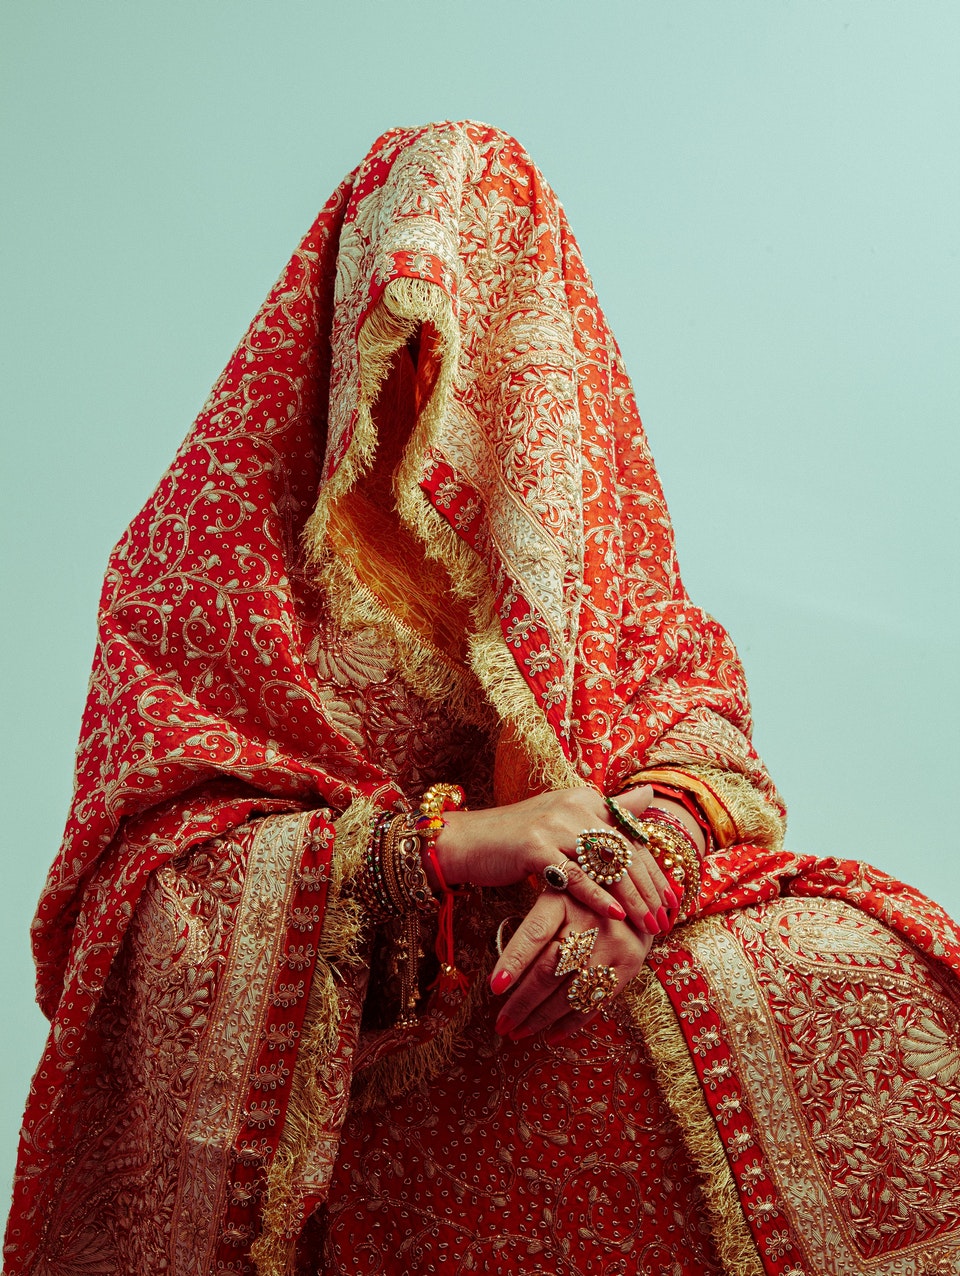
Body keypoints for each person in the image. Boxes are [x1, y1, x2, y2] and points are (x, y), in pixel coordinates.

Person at [5, 121, 960, 1276]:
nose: (433, 371)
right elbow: (142, 901)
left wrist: (622, 876)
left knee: (866, 961)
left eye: (473, 319)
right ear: (342, 315)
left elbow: (693, 727)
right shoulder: (201, 563)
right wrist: (460, 845)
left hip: (564, 958)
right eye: (403, 327)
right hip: (357, 1014)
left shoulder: (582, 534)